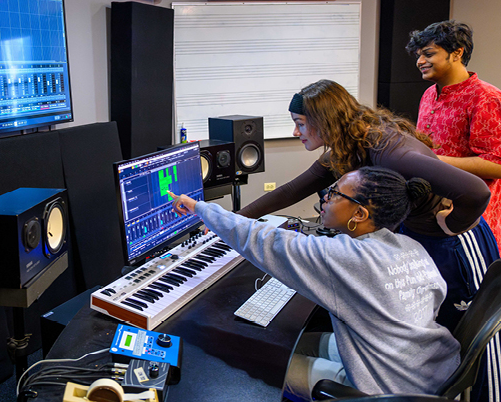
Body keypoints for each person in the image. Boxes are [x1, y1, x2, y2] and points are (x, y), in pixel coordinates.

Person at [169, 166, 461, 400]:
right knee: (293, 341)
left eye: (335, 194)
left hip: (389, 387)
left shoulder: (348, 258)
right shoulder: (409, 246)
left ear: (359, 214)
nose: (326, 198)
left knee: (256, 361)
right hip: (435, 369)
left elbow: (264, 241)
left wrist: (199, 208)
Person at [234, 79, 498, 334]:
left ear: (323, 122)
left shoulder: (388, 150)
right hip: (422, 238)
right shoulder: (350, 146)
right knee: (433, 327)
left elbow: (476, 192)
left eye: (300, 124)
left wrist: (452, 225)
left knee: (462, 332)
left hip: (455, 245)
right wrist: (231, 220)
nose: (295, 133)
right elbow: (290, 191)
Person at [406, 20, 501, 248]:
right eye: (418, 55)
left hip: (470, 220)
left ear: (457, 53)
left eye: (428, 54)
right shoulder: (429, 94)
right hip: (429, 214)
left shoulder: (486, 97)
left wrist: (432, 162)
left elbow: (497, 165)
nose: (420, 62)